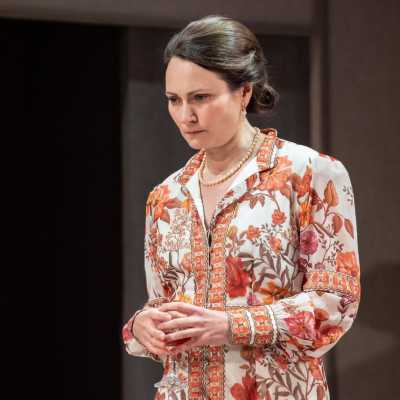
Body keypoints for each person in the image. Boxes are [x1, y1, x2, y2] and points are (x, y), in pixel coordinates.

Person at [122, 14, 361, 400]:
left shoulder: (308, 173)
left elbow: (336, 303)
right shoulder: (165, 196)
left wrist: (232, 325)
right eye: (174, 100)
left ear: (244, 92)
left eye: (201, 97)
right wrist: (143, 327)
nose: (186, 116)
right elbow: (163, 302)